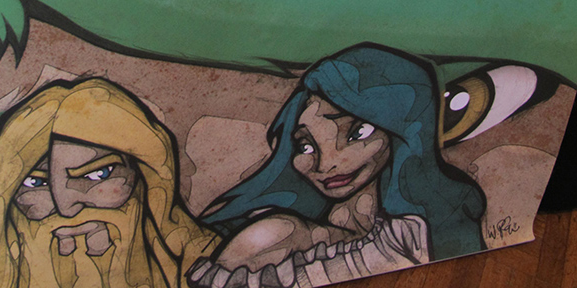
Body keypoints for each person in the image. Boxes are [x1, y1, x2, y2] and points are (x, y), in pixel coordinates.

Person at [187, 44, 485, 287]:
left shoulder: (421, 227)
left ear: (402, 130)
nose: (326, 164)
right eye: (305, 146)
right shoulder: (289, 228)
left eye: (357, 133)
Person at [0, 78, 218, 288]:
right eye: (33, 182)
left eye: (97, 175)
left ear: (144, 181)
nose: (66, 207)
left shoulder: (208, 270)